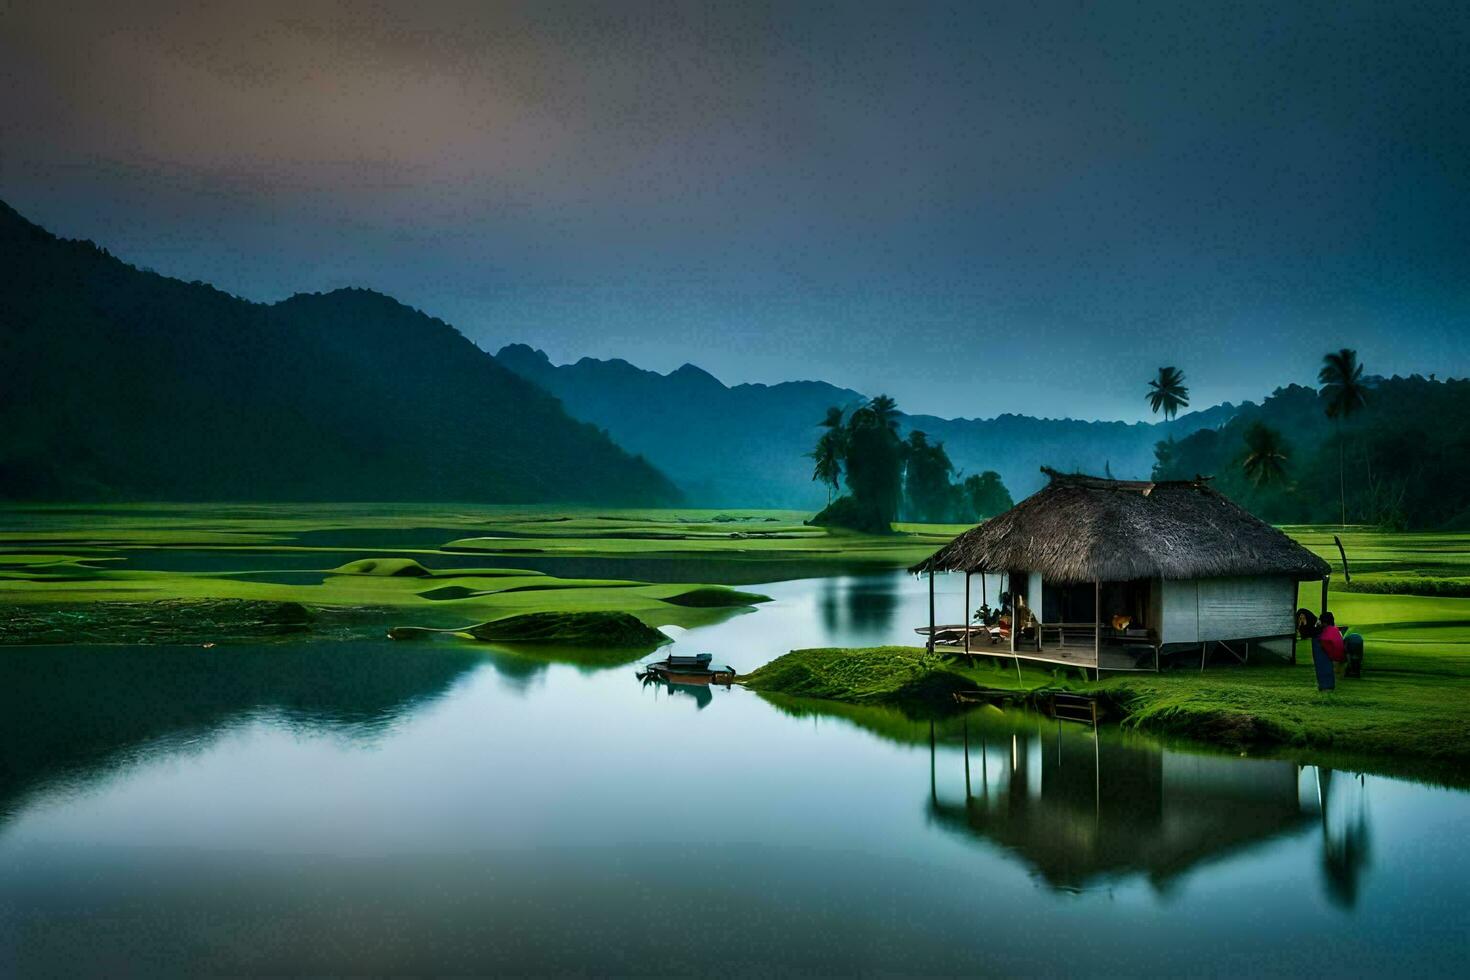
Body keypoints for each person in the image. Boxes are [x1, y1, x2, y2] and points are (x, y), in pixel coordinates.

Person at [1297, 608, 1334, 691]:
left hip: (1319, 639)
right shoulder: (1312, 621)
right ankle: (1327, 684)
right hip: (1320, 638)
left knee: (1321, 662)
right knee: (1324, 662)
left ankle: (1325, 685)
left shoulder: (1303, 616)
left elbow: (1304, 628)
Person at [1320, 612, 1346, 679]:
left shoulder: (1325, 634)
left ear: (1324, 622)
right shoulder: (1336, 630)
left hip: (1333, 661)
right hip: (1342, 659)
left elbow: (1324, 647)